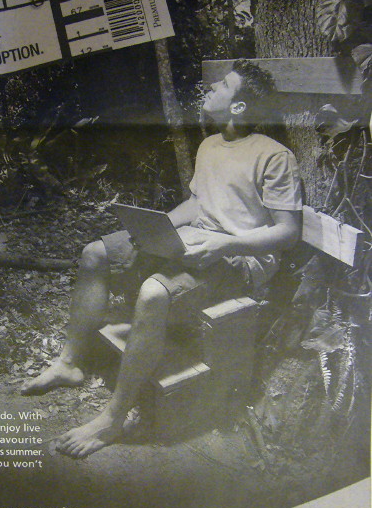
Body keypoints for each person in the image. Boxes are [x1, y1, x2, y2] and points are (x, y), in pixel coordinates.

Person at [22, 59, 303, 459]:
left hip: (240, 260)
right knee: (95, 253)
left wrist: (224, 245)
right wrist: (157, 229)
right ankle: (70, 362)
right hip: (193, 241)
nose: (210, 89)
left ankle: (112, 419)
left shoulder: (275, 156)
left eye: (222, 86)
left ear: (239, 106)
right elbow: (197, 203)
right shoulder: (209, 144)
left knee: (155, 293)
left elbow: (287, 233)